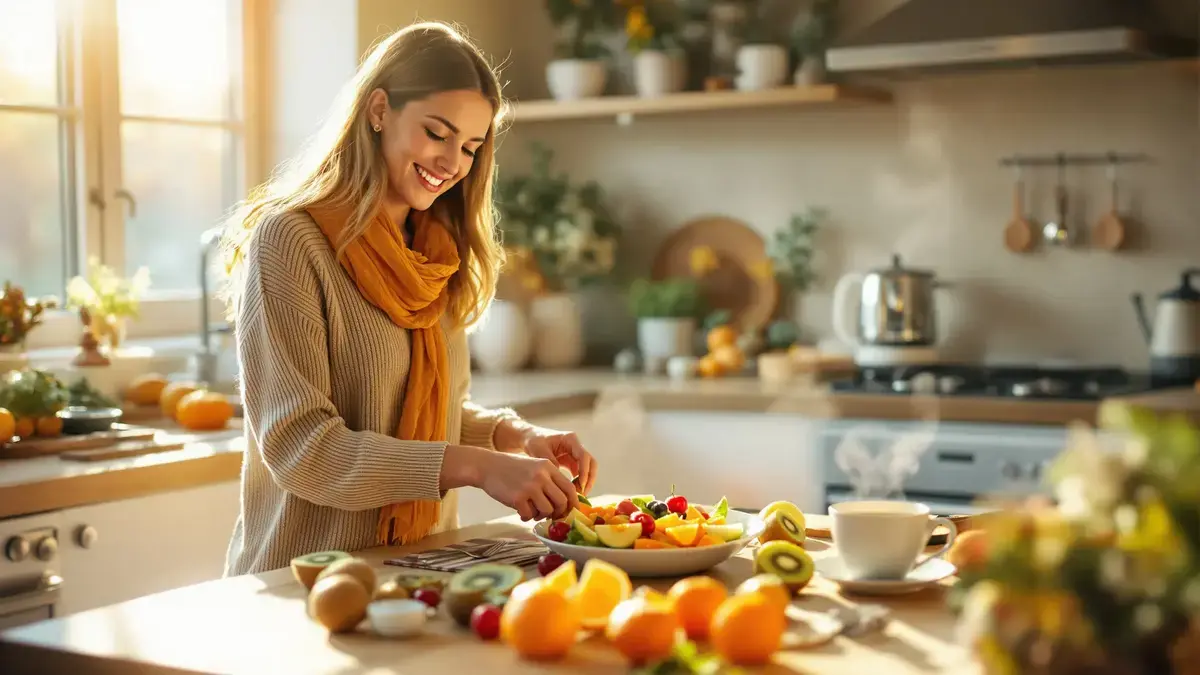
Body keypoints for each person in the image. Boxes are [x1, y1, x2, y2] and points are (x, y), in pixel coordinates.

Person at [217, 22, 597, 576]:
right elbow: (304, 448)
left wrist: (518, 438)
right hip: (304, 580)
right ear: (378, 110)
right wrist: (477, 466)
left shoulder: (437, 252)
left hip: (421, 570)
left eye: (469, 147)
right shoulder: (292, 240)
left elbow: (429, 414)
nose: (452, 163)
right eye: (436, 133)